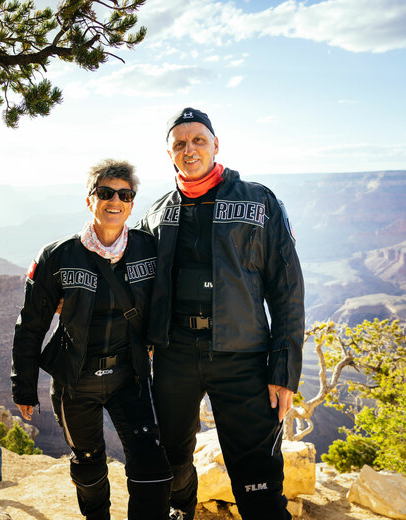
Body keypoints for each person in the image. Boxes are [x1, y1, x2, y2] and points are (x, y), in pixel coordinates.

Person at [138, 107, 305, 520]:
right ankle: (181, 509)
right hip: (175, 354)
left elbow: (287, 289)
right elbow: (132, 280)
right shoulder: (157, 215)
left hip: (243, 355)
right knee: (172, 454)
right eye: (180, 143)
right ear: (169, 153)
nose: (189, 149)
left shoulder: (258, 201)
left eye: (198, 140)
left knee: (257, 472)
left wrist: (284, 370)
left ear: (216, 145)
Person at [11, 159, 172, 520]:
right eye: (105, 193)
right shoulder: (57, 256)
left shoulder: (149, 249)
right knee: (88, 465)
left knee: (152, 466)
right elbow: (31, 324)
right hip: (75, 381)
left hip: (129, 377)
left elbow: (170, 298)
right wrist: (23, 386)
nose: (115, 201)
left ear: (132, 203)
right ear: (90, 199)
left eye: (125, 195)